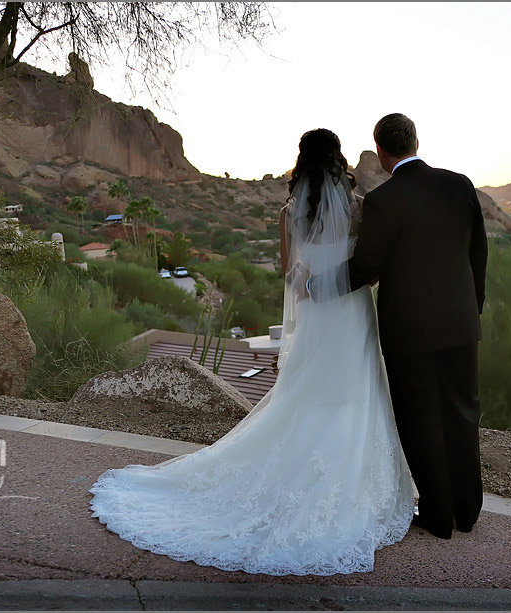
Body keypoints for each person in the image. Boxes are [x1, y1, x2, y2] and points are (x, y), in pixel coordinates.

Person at [88, 128, 414, 576]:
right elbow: (367, 267)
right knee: (355, 387)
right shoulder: (358, 209)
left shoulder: (288, 212)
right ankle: (348, 475)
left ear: (302, 161)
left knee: (307, 393)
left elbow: (289, 272)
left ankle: (296, 468)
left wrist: (310, 273)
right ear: (338, 160)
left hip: (317, 315)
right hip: (350, 311)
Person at [312, 113, 487, 539]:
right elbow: (477, 253)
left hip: (410, 334)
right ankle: (468, 511)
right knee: (463, 412)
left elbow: (367, 267)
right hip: (462, 325)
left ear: (382, 153)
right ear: (416, 142)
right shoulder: (459, 184)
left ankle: (438, 515)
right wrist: (472, 308)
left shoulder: (383, 201)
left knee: (420, 419)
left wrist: (319, 286)